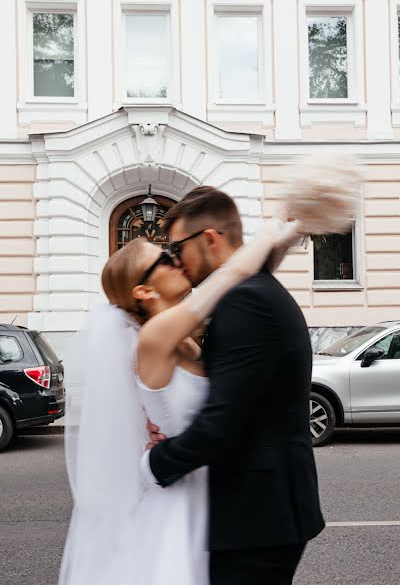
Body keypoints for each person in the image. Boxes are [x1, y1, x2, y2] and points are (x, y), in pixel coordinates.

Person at [58, 191, 302, 585]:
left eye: (175, 250)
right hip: (174, 489)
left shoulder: (187, 339)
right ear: (143, 291)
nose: (175, 259)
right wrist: (269, 237)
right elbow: (229, 277)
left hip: (206, 489)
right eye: (164, 257)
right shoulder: (154, 337)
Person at [142, 186, 325, 585]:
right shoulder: (251, 293)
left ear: (209, 238)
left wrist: (154, 464)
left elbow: (222, 423)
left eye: (177, 249)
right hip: (262, 511)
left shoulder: (245, 301)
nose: (176, 262)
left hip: (257, 517)